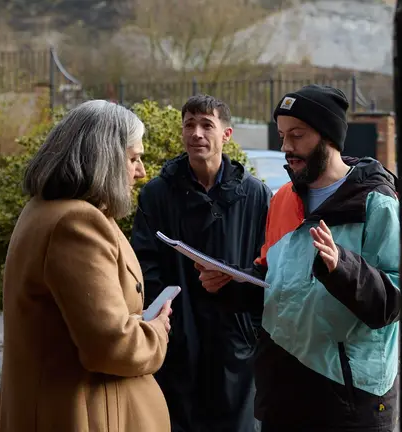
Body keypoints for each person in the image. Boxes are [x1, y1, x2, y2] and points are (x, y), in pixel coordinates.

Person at [197, 84, 402, 431]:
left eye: (298, 135)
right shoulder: (281, 199)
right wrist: (230, 284)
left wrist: (342, 268)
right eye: (282, 136)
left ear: (330, 138)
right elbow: (276, 285)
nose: (286, 147)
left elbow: (392, 302)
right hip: (282, 394)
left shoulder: (377, 203)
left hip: (349, 402)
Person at [0, 99, 173, 432]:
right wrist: (156, 331)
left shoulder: (47, 209)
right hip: (82, 414)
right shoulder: (76, 223)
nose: (141, 172)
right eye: (134, 158)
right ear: (104, 158)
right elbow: (111, 347)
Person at [130, 94, 272, 432]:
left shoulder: (256, 195)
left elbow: (269, 266)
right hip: (178, 339)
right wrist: (168, 323)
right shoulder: (157, 195)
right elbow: (143, 264)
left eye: (207, 125)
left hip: (236, 343)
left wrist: (249, 326)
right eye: (189, 125)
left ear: (226, 134)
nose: (196, 133)